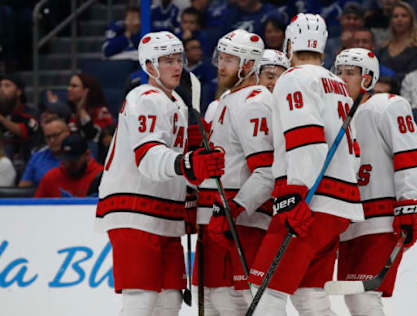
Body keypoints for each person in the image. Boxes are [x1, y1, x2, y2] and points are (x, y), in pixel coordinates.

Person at [94, 31, 225, 316]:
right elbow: (149, 156)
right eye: (167, 60)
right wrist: (188, 165)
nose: (177, 66)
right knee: (141, 300)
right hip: (134, 212)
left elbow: (180, 158)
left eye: (178, 59)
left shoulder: (177, 103)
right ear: (149, 65)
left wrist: (189, 193)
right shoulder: (144, 97)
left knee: (169, 301)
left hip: (164, 214)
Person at [248, 13, 364, 315]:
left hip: (309, 203)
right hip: (339, 204)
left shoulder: (294, 78)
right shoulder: (336, 83)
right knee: (309, 294)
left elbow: (308, 139)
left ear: (289, 44)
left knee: (264, 292)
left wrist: (294, 193)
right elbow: (353, 150)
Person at [334, 48, 417, 316]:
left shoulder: (388, 105)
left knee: (364, 298)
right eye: (338, 72)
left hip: (382, 220)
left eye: (350, 73)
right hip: (351, 223)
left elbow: (410, 156)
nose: (342, 78)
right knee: (354, 298)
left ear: (368, 78)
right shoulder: (338, 117)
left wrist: (410, 203)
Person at [194, 28, 275, 315]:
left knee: (236, 302)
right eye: (220, 57)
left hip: (239, 222)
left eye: (229, 59)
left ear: (249, 65)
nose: (221, 65)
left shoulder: (256, 102)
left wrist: (235, 209)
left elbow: (266, 170)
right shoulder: (223, 102)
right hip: (214, 218)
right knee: (215, 300)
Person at [34, 134, 103, 197]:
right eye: (66, 159)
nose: (68, 164)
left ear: (87, 155)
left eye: (74, 161)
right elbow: (36, 208)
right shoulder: (50, 178)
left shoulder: (102, 177)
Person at [0, 74, 40, 176]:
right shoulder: (3, 113)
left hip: (25, 162)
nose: (2, 89)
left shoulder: (31, 112)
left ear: (19, 91)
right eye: (0, 86)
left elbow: (24, 132)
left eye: (7, 86)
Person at [375, 1, 417, 81]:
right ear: (391, 21)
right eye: (395, 16)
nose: (399, 19)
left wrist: (390, 79)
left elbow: (414, 76)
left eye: (404, 16)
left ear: (411, 20)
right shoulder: (382, 49)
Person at [19, 117, 70, 187]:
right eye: (48, 137)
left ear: (67, 133)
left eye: (56, 135)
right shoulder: (36, 158)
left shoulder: (79, 156)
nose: (52, 140)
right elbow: (22, 191)